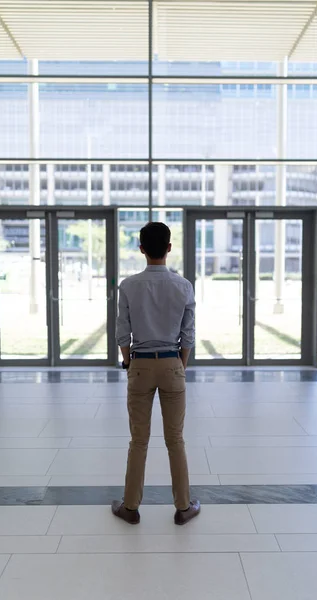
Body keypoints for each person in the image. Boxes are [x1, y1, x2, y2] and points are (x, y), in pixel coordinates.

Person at [112, 222, 200, 526]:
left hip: (140, 363)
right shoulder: (184, 285)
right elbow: (188, 336)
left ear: (141, 249)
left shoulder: (128, 285)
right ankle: (183, 507)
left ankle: (131, 507)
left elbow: (122, 333)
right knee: (175, 439)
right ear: (169, 248)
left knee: (139, 440)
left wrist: (128, 362)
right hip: (172, 363)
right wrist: (179, 366)